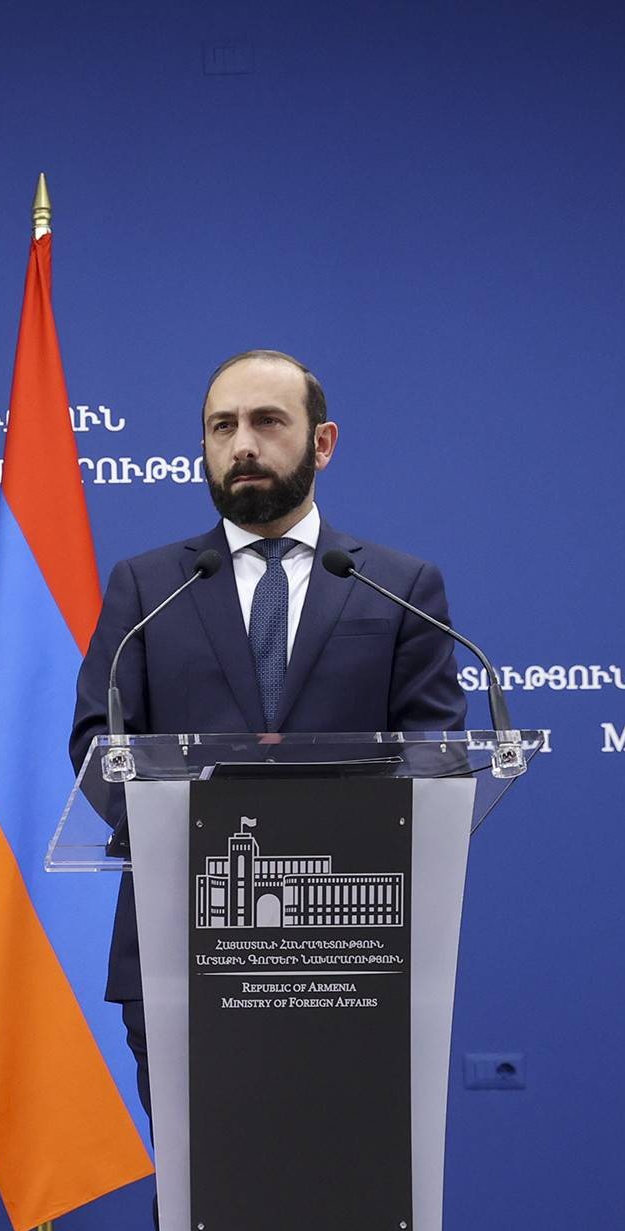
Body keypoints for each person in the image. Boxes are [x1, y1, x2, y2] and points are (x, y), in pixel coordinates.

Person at [68, 349, 468, 1123]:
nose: (241, 444)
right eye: (222, 426)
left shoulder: (395, 586)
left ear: (322, 444)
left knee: (347, 1202)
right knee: (199, 1210)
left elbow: (436, 757)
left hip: (353, 953)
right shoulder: (149, 587)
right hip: (182, 946)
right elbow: (97, 743)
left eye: (266, 421)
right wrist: (189, 842)